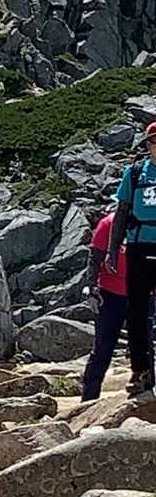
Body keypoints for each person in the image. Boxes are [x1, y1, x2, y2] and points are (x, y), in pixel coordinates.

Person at [107, 122, 156, 395]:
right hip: (138, 247)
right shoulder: (135, 172)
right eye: (154, 140)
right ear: (147, 144)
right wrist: (113, 250)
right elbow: (122, 212)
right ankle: (140, 369)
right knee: (136, 311)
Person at [81, 205, 128, 400]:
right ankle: (88, 400)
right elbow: (95, 258)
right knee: (103, 349)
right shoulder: (108, 223)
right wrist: (91, 287)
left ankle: (146, 399)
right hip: (110, 294)